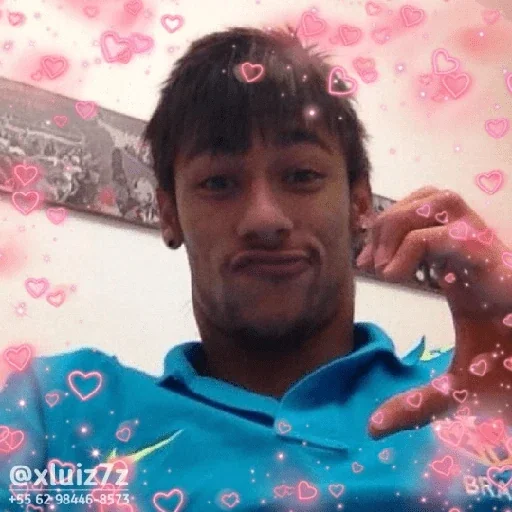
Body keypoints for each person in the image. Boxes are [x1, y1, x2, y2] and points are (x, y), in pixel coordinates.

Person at [0, 26, 511, 512]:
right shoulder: (56, 410)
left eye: (302, 175)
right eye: (219, 183)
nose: (265, 219)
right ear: (169, 214)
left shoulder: (480, 393)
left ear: (359, 203)